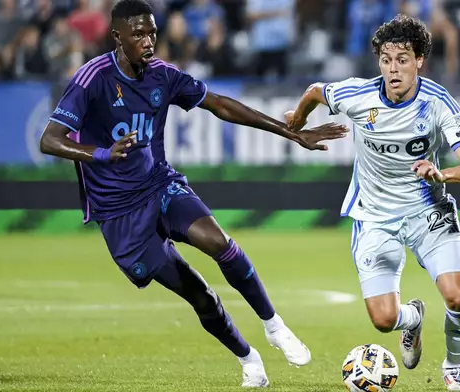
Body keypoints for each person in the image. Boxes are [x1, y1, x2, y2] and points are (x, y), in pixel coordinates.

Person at [39, 0, 348, 388]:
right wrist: (101, 154)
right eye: (138, 34)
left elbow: (219, 105)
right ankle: (248, 359)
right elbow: (50, 140)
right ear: (117, 37)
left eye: (152, 31)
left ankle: (274, 325)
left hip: (158, 185)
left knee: (218, 241)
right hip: (118, 213)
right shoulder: (92, 78)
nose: (148, 41)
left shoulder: (163, 76)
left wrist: (289, 131)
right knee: (197, 293)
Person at [285, 14, 460, 391]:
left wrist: (444, 175)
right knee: (382, 318)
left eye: (403, 59)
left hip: (428, 211)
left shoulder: (437, 102)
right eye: (386, 60)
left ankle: (454, 370)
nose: (394, 69)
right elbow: (315, 91)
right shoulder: (357, 95)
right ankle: (412, 320)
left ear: (419, 61)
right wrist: (296, 121)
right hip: (375, 217)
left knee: (459, 298)